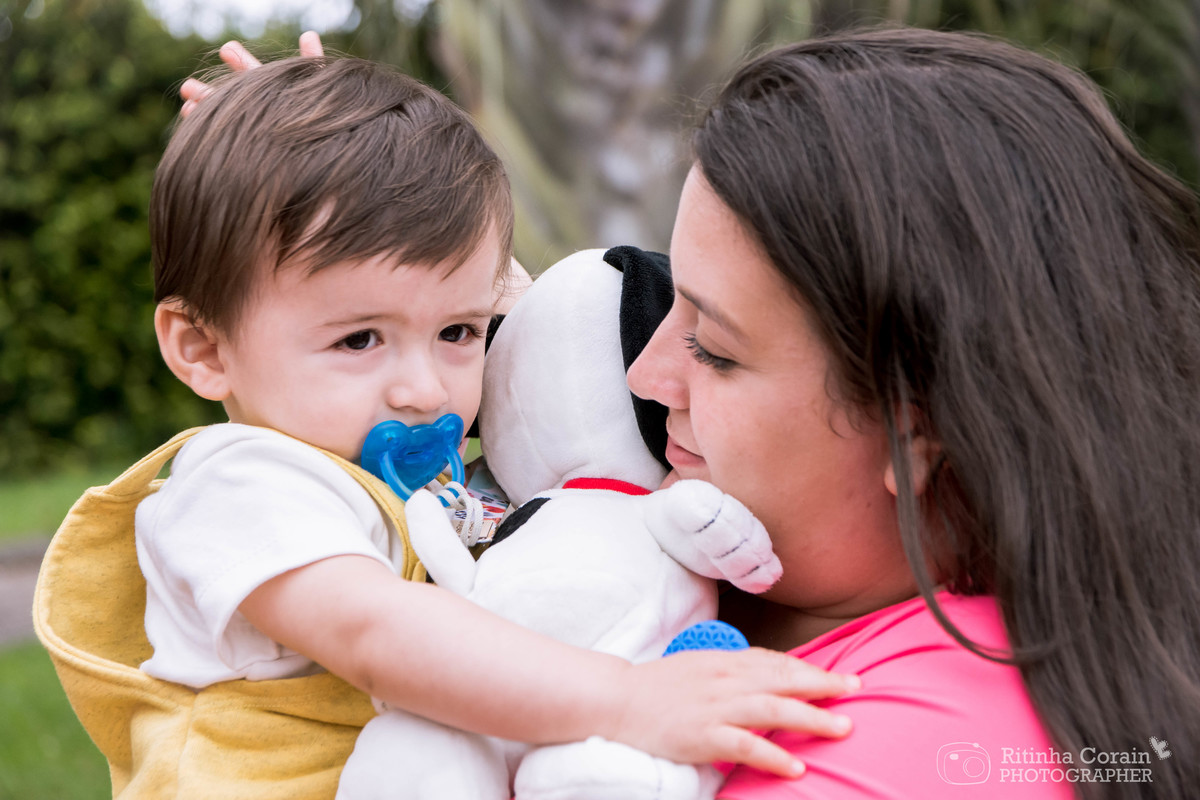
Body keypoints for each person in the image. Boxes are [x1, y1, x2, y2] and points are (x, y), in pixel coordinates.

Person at [36, 52, 863, 799]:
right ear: (204, 348)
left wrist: (331, 152)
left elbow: (525, 325)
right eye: (359, 339)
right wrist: (625, 699)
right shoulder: (242, 483)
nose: (425, 390)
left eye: (459, 333)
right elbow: (375, 632)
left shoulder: (392, 453)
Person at [624, 26, 1200, 799]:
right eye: (672, 302)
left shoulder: (920, 748)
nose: (645, 376)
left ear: (920, 432)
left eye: (714, 349)